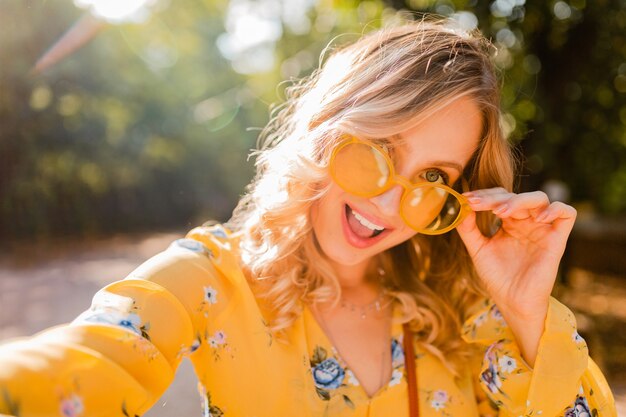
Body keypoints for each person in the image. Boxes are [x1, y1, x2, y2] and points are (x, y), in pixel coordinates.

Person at [0, 16, 617, 417]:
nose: (387, 201)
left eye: (433, 178)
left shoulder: (464, 309)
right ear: (326, 129)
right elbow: (86, 364)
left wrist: (525, 312)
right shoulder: (213, 279)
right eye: (380, 149)